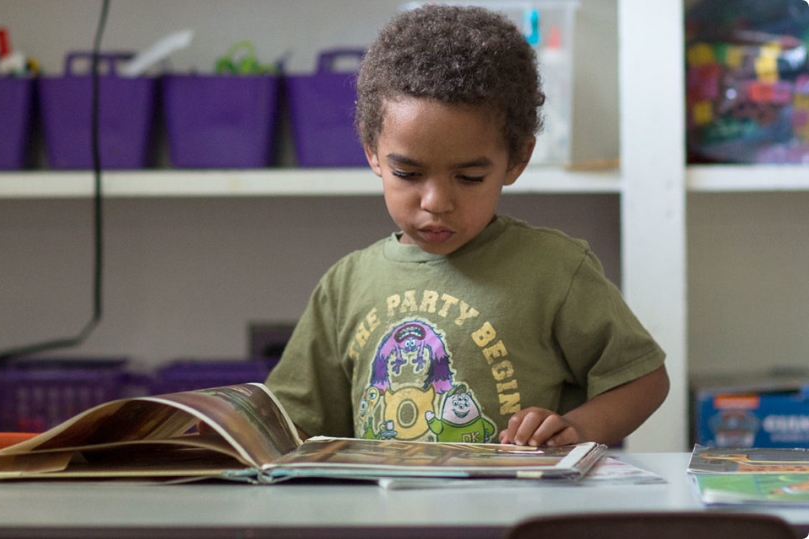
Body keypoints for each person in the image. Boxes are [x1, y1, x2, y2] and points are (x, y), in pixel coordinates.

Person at [266, 4, 669, 448]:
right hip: (387, 514)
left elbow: (644, 379)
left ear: (517, 159)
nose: (436, 202)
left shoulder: (556, 270)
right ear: (372, 152)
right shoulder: (345, 286)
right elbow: (292, 420)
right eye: (409, 174)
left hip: (514, 512)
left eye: (469, 178)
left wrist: (578, 429)